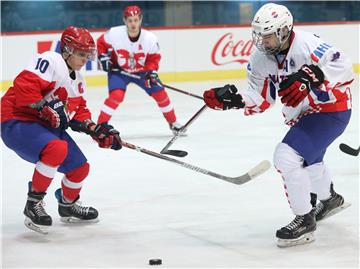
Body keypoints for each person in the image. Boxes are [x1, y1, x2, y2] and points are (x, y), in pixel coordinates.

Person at [203, 3, 353, 247]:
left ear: (284, 31)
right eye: (259, 35)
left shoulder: (307, 44)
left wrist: (312, 75)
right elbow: (262, 99)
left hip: (331, 110)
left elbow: (344, 68)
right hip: (304, 114)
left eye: (268, 35)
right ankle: (330, 199)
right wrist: (235, 100)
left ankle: (305, 219)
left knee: (286, 156)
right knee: (309, 159)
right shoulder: (260, 57)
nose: (262, 41)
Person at [1, 26, 122, 234]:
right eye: (81, 54)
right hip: (16, 119)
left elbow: (78, 112)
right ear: (66, 50)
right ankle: (33, 204)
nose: (85, 59)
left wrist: (96, 130)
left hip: (43, 124)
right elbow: (24, 85)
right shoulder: (51, 60)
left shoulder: (79, 81)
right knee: (57, 148)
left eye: (87, 54)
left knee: (80, 167)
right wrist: (42, 107)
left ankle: (68, 205)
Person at [96, 5, 184, 135]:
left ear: (140, 20)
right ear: (125, 20)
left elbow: (154, 58)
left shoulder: (150, 38)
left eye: (136, 20)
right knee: (116, 96)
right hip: (119, 71)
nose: (133, 24)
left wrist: (151, 72)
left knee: (160, 94)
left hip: (143, 73)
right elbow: (100, 44)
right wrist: (103, 58)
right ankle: (99, 127)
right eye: (130, 20)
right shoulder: (114, 33)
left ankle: (173, 123)